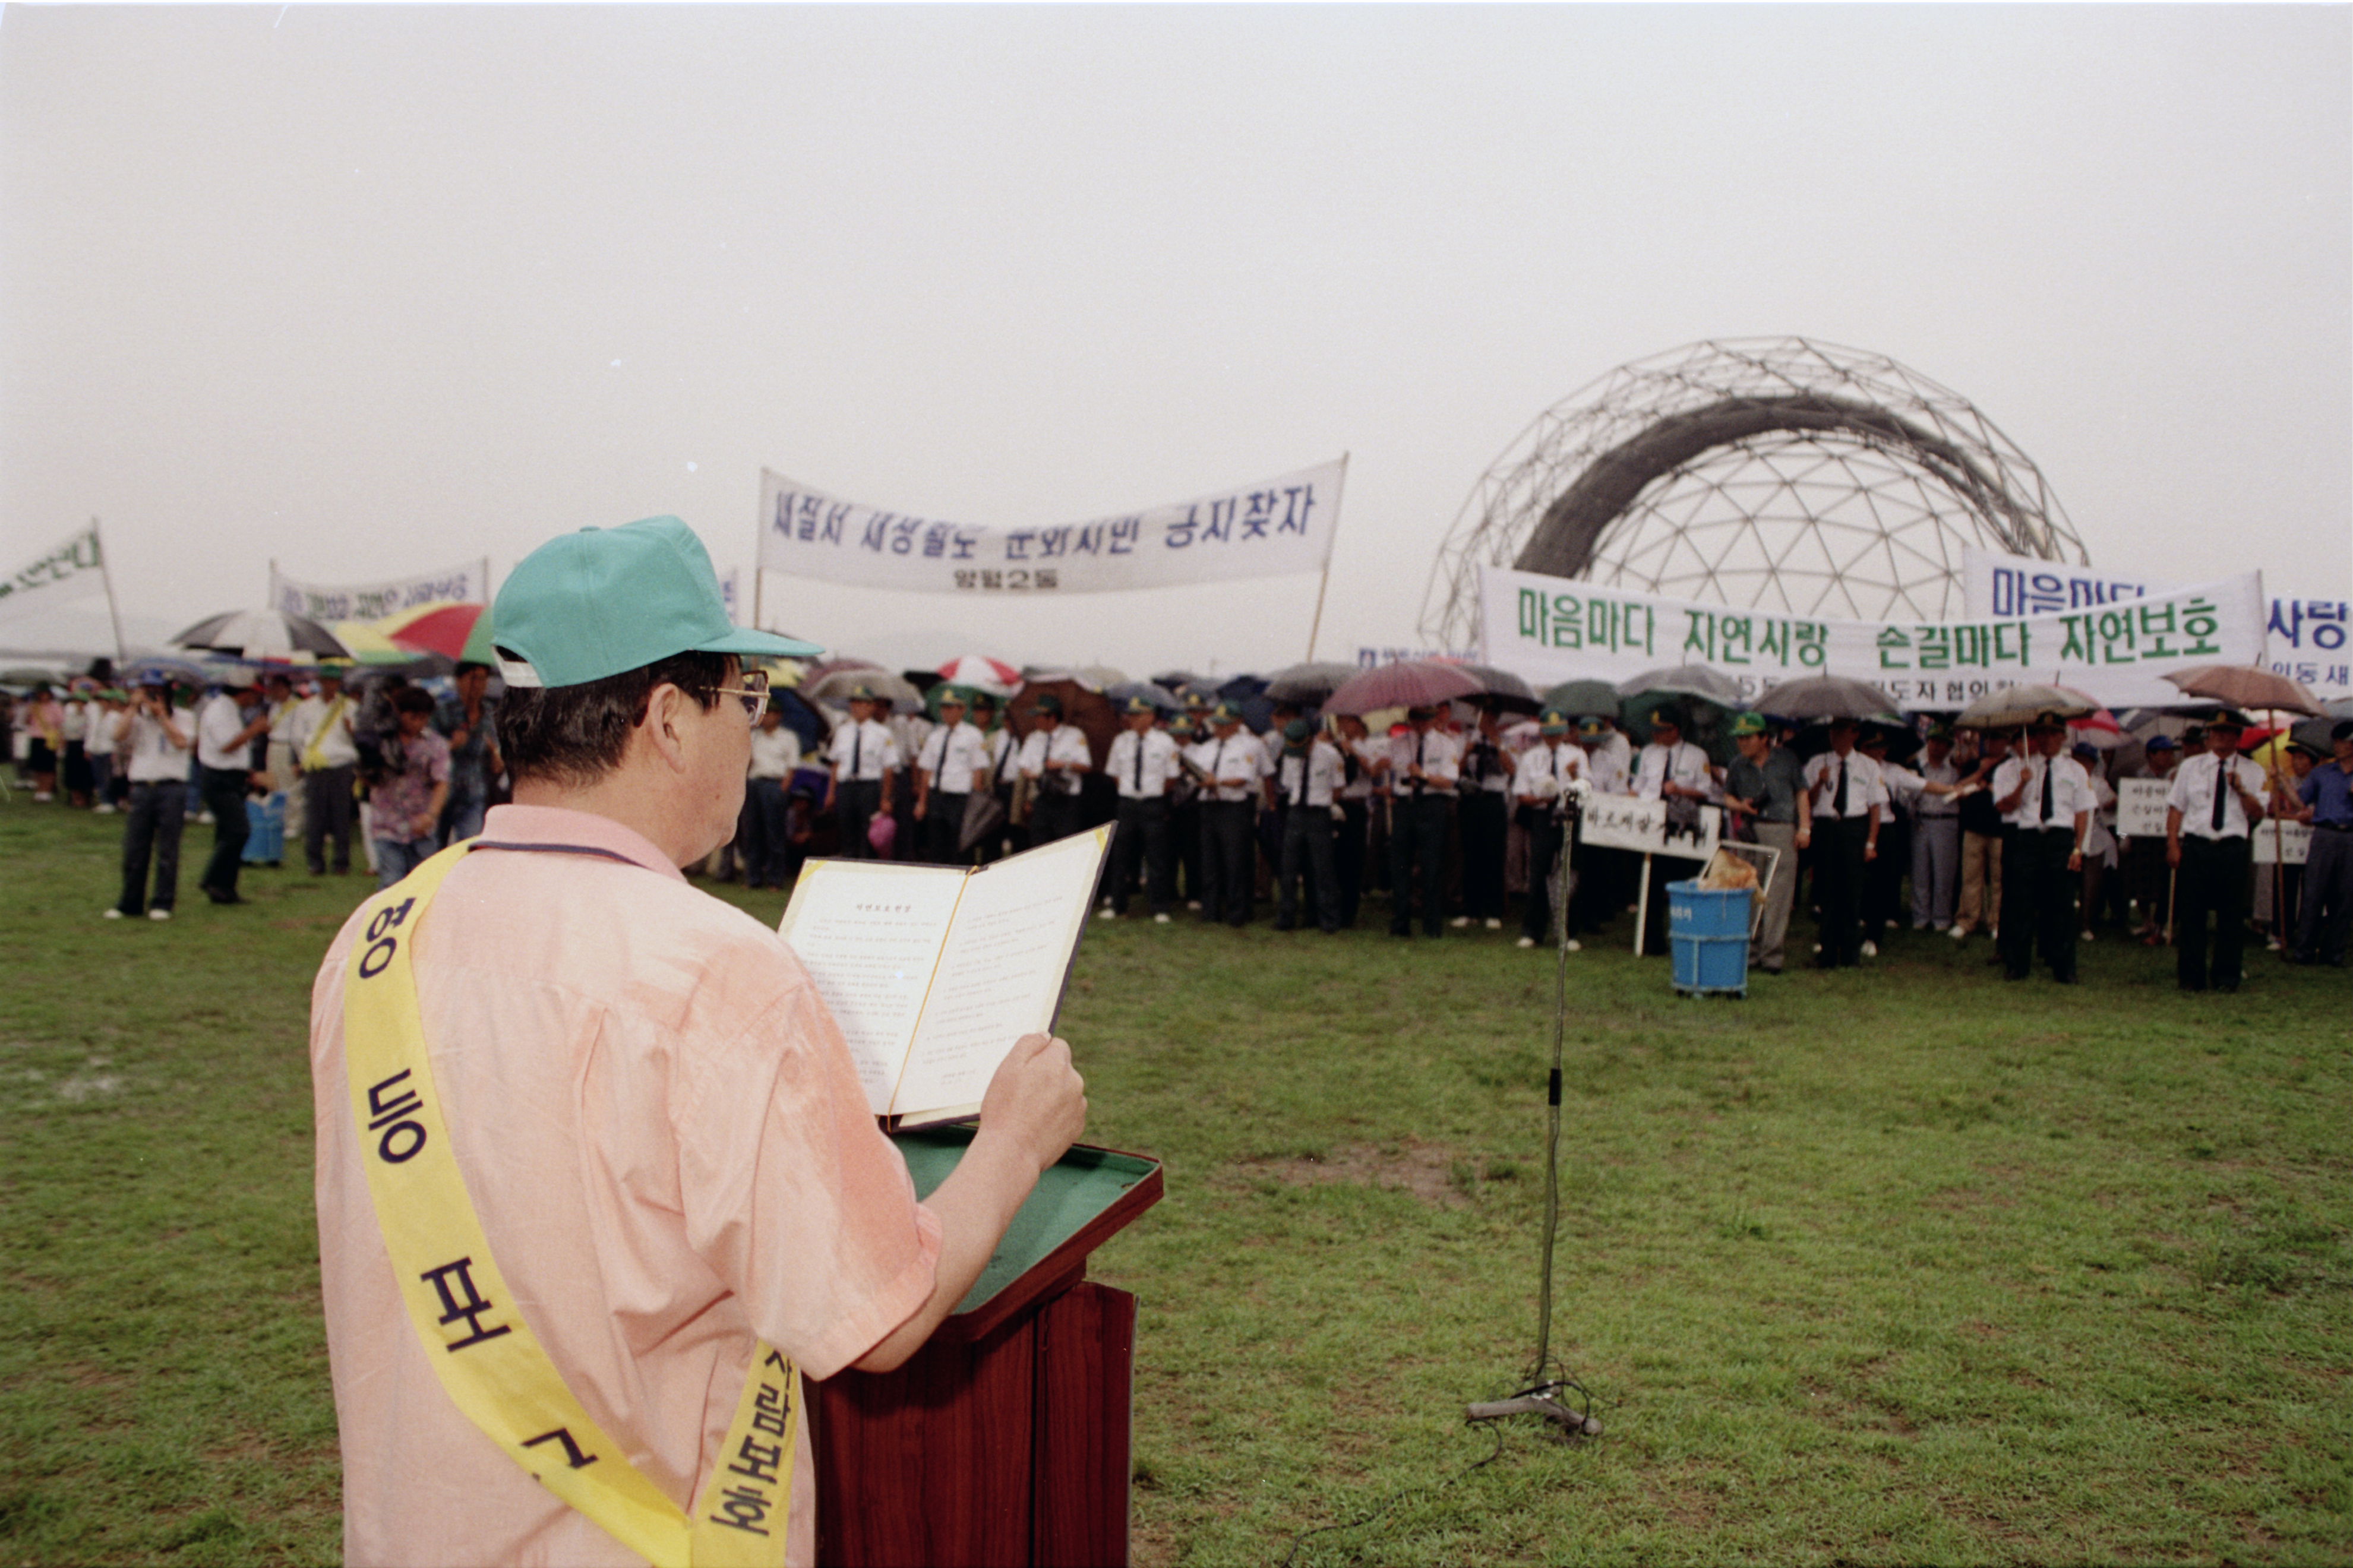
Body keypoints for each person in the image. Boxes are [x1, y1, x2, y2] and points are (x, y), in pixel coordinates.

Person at [308, 514, 1086, 1568]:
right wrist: (1013, 1143)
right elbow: (879, 1315)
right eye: (748, 698)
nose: (753, 734)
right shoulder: (716, 971)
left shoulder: (376, 934)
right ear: (670, 718)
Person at [2167, 710, 2266, 992]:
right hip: (2197, 845)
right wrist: (2173, 844)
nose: (2222, 737)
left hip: (2232, 848)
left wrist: (2242, 790)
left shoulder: (2252, 770)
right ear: (2209, 736)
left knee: (2231, 916)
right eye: (2217, 732)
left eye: (2229, 732)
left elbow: (2257, 814)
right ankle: (2191, 977)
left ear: (2238, 737)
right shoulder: (2190, 767)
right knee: (2192, 914)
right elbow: (2176, 807)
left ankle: (2226, 976)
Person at [1991, 715, 2095, 984]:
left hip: (2060, 838)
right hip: (2028, 837)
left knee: (2061, 905)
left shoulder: (2075, 770)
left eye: (2053, 733)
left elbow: (2082, 812)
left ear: (2063, 737)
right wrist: (2023, 783)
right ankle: (2017, 965)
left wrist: (2078, 849)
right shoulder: (2021, 768)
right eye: (2042, 734)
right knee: (2022, 903)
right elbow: (2004, 806)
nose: (2047, 739)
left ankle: (2064, 968)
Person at [1722, 710, 1808, 974]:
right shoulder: (1737, 765)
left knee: (1778, 895)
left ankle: (1772, 957)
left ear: (1764, 738)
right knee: (1749, 891)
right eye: (1739, 739)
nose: (1743, 743)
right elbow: (1727, 797)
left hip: (1782, 829)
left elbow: (1801, 793)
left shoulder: (1787, 760)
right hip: (1751, 831)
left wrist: (1804, 828)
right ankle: (1750, 952)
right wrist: (1742, 807)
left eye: (1748, 738)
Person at [106, 679, 195, 921]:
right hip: (143, 787)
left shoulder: (184, 717)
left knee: (168, 848)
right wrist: (133, 707)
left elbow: (181, 742)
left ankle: (163, 902)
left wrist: (162, 717)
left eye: (156, 695)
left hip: (172, 787)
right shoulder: (138, 719)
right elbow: (117, 735)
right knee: (135, 847)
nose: (151, 700)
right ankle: (130, 902)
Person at [1633, 707, 1717, 954]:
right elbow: (1639, 785)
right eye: (1655, 730)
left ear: (1676, 730)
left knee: (1683, 882)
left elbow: (1706, 790)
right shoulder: (1648, 752)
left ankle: (1686, 934)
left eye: (1663, 730)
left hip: (1681, 823)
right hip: (1652, 821)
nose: (1657, 735)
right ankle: (1652, 940)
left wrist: (1680, 789)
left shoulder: (1696, 754)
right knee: (1651, 881)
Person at [1802, 717, 1884, 968]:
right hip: (1827, 827)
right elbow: (1807, 800)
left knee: (1852, 891)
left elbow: (1876, 807)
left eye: (1841, 732)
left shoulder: (1868, 766)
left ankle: (1850, 953)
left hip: (1854, 827)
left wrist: (1871, 842)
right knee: (1826, 891)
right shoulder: (1818, 762)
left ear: (1854, 734)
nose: (1835, 737)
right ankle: (1826, 952)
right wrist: (1819, 781)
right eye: (1832, 732)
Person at [1511, 709, 1588, 950]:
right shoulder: (1531, 757)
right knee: (1538, 874)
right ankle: (1533, 931)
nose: (1553, 738)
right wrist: (1537, 800)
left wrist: (1575, 776)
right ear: (1542, 733)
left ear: (1565, 732)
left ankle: (1569, 932)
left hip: (1570, 816)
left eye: (1557, 734)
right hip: (1542, 816)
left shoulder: (1577, 755)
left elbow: (1587, 790)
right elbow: (1521, 793)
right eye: (1548, 734)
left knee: (1570, 873)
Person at [1189, 701, 1268, 927]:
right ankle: (1210, 910)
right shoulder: (1207, 748)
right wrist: (1202, 781)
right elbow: (1199, 774)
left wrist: (1218, 782)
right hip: (1209, 806)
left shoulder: (1248, 747)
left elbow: (1244, 778)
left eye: (1225, 725)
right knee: (1209, 861)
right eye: (1217, 725)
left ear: (1237, 724)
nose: (1219, 729)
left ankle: (1238, 911)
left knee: (1236, 862)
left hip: (1234, 808)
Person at [195, 672, 271, 905]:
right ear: (244, 692)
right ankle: (212, 878)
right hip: (219, 778)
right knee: (239, 830)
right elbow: (226, 745)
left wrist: (248, 772)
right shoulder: (220, 710)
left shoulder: (228, 710)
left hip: (231, 776)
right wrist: (255, 729)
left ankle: (224, 888)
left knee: (227, 833)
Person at [1100, 696, 1178, 922]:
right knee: (1121, 855)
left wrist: (1150, 793)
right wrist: (1131, 792)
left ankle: (1160, 907)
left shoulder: (1165, 742)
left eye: (1138, 715)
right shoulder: (1121, 741)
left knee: (1156, 857)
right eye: (1130, 715)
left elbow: (1171, 777)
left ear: (1151, 717)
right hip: (1127, 803)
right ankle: (1117, 905)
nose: (1132, 719)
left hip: (1153, 803)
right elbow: (1115, 773)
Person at [1385, 704, 1459, 938]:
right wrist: (1407, 778)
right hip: (1405, 804)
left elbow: (1449, 781)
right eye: (1417, 719)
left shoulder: (1446, 743)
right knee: (1400, 865)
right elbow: (1395, 773)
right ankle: (1401, 922)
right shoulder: (1398, 743)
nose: (1422, 725)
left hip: (1432, 805)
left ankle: (1432, 925)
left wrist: (1424, 775)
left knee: (1432, 866)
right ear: (1410, 719)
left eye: (1426, 720)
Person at [368, 687, 451, 890]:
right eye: (413, 717)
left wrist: (431, 815)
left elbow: (442, 781)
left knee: (424, 886)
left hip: (421, 826)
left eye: (424, 718)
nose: (418, 723)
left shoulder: (435, 744)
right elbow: (368, 779)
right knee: (391, 883)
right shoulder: (381, 741)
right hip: (386, 825)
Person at [2287, 720, 2353, 966]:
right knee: (2313, 893)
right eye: (2336, 742)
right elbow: (2299, 804)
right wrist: (2282, 781)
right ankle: (2304, 951)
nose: (2339, 746)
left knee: (2346, 898)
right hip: (2324, 835)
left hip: (2351, 837)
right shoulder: (2322, 773)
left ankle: (2334, 954)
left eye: (2344, 742)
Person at [1272, 717, 1344, 935]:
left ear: (1310, 740)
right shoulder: (1289, 754)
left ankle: (1328, 919)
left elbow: (1338, 787)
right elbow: (1286, 784)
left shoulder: (1330, 755)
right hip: (1296, 813)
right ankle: (1287, 916)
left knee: (1323, 869)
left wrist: (1325, 805)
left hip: (1319, 813)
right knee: (1289, 868)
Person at [290, 664, 361, 876]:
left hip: (343, 763)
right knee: (315, 816)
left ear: (339, 684)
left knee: (341, 815)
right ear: (320, 682)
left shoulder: (349, 707)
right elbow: (296, 737)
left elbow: (360, 737)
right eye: (326, 681)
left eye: (334, 682)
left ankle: (341, 862)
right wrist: (305, 758)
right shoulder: (306, 707)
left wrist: (351, 731)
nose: (330, 685)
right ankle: (315, 861)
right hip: (317, 765)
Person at [1950, 727, 2010, 943]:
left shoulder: (2010, 765)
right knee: (1971, 876)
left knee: (1998, 878)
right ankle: (1967, 920)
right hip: (1973, 827)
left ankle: (1997, 922)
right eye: (1989, 739)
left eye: (1997, 738)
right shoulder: (1974, 764)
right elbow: (1956, 790)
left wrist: (1990, 787)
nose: (1992, 743)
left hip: (2000, 829)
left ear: (2006, 741)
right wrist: (1979, 773)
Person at [913, 691, 988, 865]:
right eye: (943, 708)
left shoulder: (973, 735)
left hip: (960, 799)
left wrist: (975, 805)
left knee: (960, 846)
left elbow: (978, 771)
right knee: (937, 845)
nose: (946, 712)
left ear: (962, 710)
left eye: (950, 708)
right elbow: (927, 771)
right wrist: (922, 802)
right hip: (938, 796)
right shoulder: (936, 736)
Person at [823, 687, 898, 859]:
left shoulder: (882, 733)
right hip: (846, 785)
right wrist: (831, 793)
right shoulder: (843, 731)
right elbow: (835, 764)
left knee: (869, 832)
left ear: (872, 707)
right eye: (855, 703)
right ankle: (849, 863)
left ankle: (866, 867)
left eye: (864, 704)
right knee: (846, 828)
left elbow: (888, 768)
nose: (858, 708)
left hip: (869, 787)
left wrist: (886, 798)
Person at [435, 660, 504, 845]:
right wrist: (451, 745)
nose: (478, 685)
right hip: (443, 790)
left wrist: (496, 755)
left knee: (470, 843)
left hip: (474, 791)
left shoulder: (490, 713)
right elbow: (429, 748)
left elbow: (497, 747)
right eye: (473, 679)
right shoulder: (443, 710)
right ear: (459, 680)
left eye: (483, 679)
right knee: (436, 847)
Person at [1455, 706, 1512, 930]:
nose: (1486, 719)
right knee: (1470, 855)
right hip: (1470, 798)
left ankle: (1493, 910)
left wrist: (1497, 743)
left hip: (1493, 799)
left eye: (1491, 715)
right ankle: (1470, 910)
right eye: (1483, 715)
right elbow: (1455, 771)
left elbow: (1511, 768)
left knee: (1494, 855)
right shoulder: (1465, 739)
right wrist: (1467, 751)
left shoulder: (1505, 739)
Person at [2126, 734, 2181, 943]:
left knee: (2165, 881)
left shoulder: (2176, 776)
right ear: (2151, 755)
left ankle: (2163, 924)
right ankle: (2147, 921)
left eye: (2170, 752)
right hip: (2142, 837)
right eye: (2164, 752)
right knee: (2142, 880)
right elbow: (2130, 809)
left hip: (2165, 836)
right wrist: (2126, 836)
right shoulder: (2139, 777)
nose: (2168, 757)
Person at [1909, 725, 1963, 931]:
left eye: (1942, 743)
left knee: (1944, 873)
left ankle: (1942, 918)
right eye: (1933, 742)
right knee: (1920, 872)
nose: (1937, 747)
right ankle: (1921, 917)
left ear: (1949, 747)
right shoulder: (1918, 768)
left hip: (1945, 821)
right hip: (1922, 821)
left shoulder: (1954, 772)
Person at [1019, 694, 1092, 846]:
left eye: (1039, 717)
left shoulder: (1074, 735)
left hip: (1066, 800)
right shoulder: (1034, 738)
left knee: (1065, 844)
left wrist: (1062, 764)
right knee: (1039, 844)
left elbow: (1086, 766)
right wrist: (1036, 775)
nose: (1036, 720)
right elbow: (1024, 766)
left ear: (1052, 717)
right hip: (1042, 797)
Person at [743, 705, 803, 889]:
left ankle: (775, 878)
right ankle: (753, 878)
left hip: (774, 783)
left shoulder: (788, 737)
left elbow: (792, 765)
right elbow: (748, 762)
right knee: (753, 832)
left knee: (774, 833)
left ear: (778, 715)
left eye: (770, 714)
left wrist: (783, 788)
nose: (767, 718)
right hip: (755, 782)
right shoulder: (755, 736)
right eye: (765, 714)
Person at [1331, 713, 1381, 930]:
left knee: (1353, 859)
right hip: (1336, 803)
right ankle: (1331, 908)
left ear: (1358, 724)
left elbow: (1373, 770)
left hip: (1357, 804)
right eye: (1339, 722)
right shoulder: (1334, 745)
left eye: (1346, 722)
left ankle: (1349, 912)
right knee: (1335, 859)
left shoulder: (1368, 746)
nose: (1342, 726)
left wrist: (1354, 752)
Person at [85, 687, 122, 812]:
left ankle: (110, 801)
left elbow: (117, 736)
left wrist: (116, 751)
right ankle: (103, 800)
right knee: (98, 776)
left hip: (109, 750)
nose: (102, 703)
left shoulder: (115, 717)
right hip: (96, 749)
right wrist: (88, 748)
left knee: (108, 777)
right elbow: (91, 732)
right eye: (100, 701)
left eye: (105, 701)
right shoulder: (96, 716)